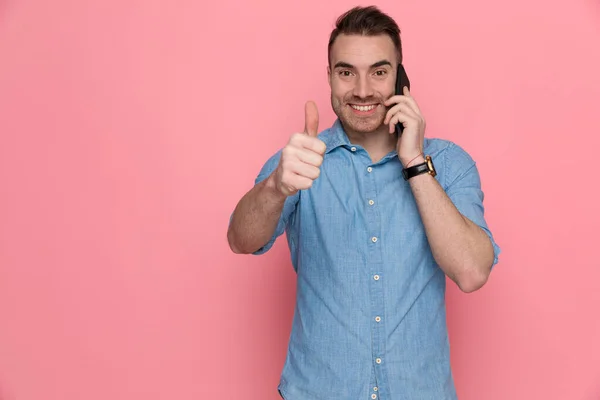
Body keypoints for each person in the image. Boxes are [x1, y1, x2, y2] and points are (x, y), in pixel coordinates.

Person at [227, 5, 501, 400]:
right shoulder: (298, 161)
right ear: (330, 78)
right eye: (346, 72)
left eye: (378, 71)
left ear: (400, 78)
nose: (362, 90)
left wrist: (414, 164)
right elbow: (241, 239)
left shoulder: (448, 164)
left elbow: (473, 272)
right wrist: (275, 187)